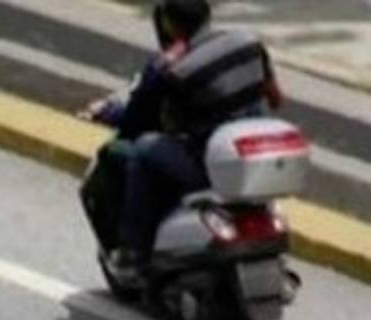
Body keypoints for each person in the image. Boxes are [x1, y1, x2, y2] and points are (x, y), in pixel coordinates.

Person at [84, 0, 283, 270]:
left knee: (143, 150)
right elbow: (276, 98)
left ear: (167, 24)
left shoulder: (174, 71)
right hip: (255, 158)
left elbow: (146, 123)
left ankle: (133, 251)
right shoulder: (248, 42)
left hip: (210, 167)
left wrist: (108, 113)